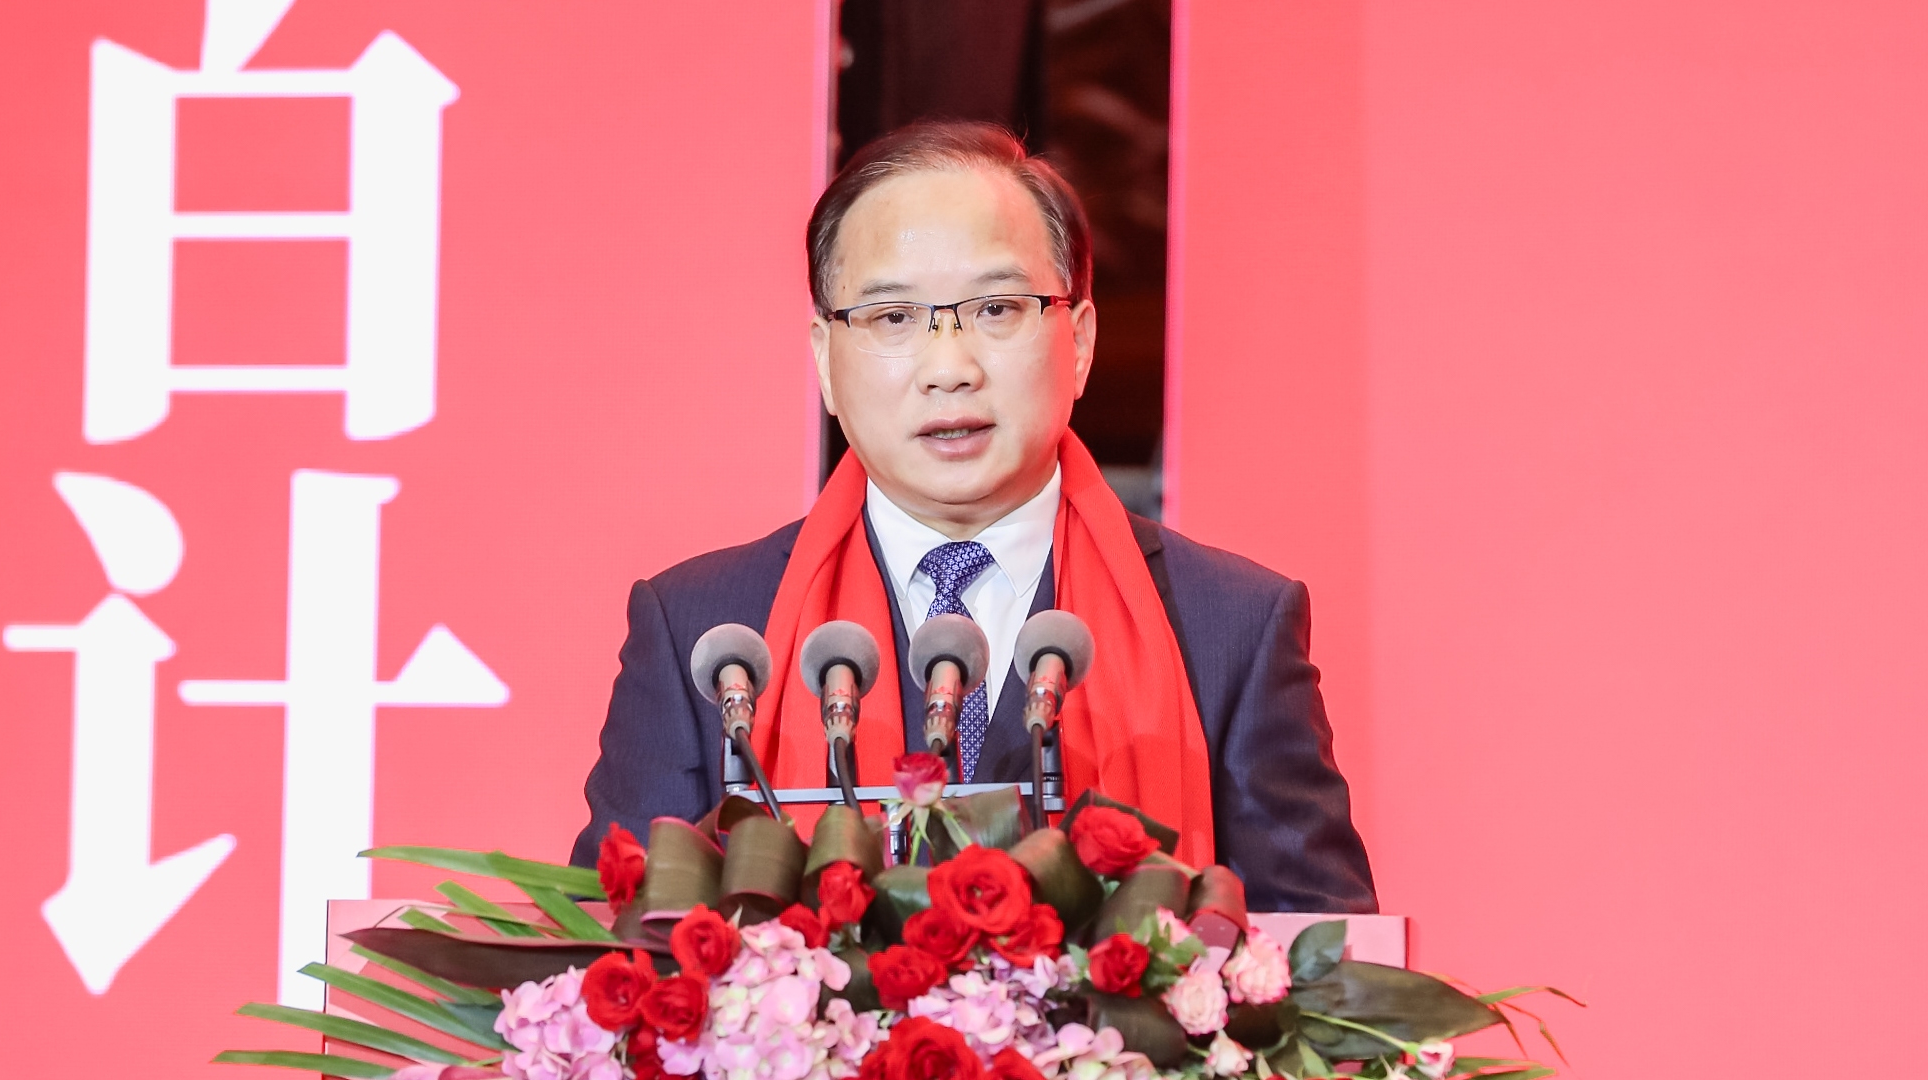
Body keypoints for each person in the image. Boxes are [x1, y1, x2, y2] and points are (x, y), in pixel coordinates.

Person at [573, 120, 1374, 912]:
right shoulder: (704, 631)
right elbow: (608, 948)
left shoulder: (1228, 624)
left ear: (1080, 341)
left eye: (996, 308)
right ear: (824, 359)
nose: (950, 368)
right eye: (893, 317)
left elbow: (1324, 960)